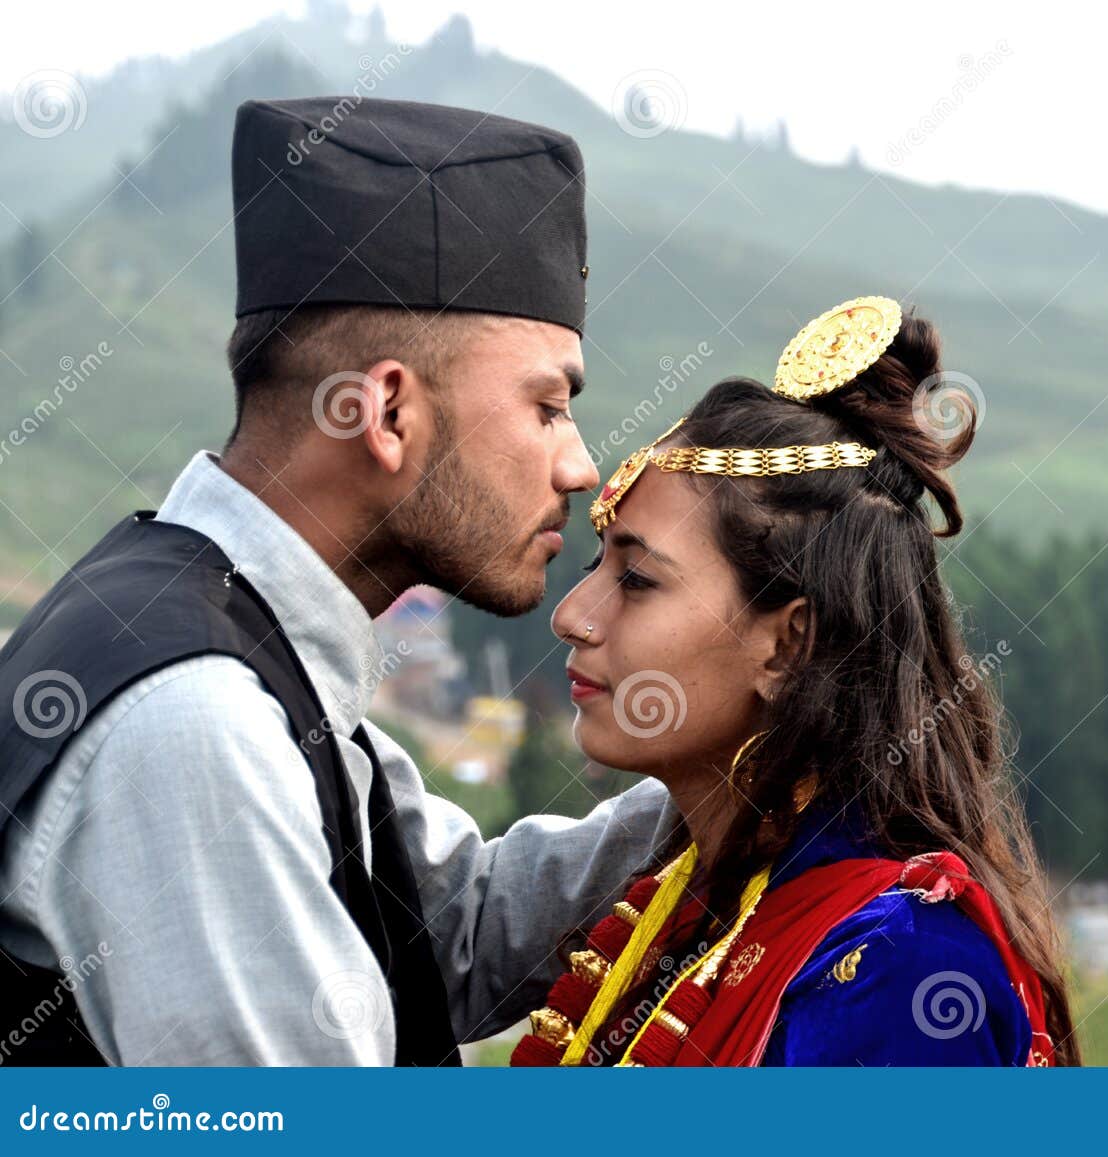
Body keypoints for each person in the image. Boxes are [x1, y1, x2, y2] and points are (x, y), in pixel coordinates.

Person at [0, 97, 675, 1066]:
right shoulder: (196, 722)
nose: (577, 465)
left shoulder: (234, 633)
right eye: (548, 404)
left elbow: (447, 934)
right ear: (389, 410)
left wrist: (731, 768)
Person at [513, 296, 1081, 1066]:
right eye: (594, 564)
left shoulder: (900, 965)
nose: (574, 615)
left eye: (637, 579)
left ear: (788, 645)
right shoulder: (694, 898)